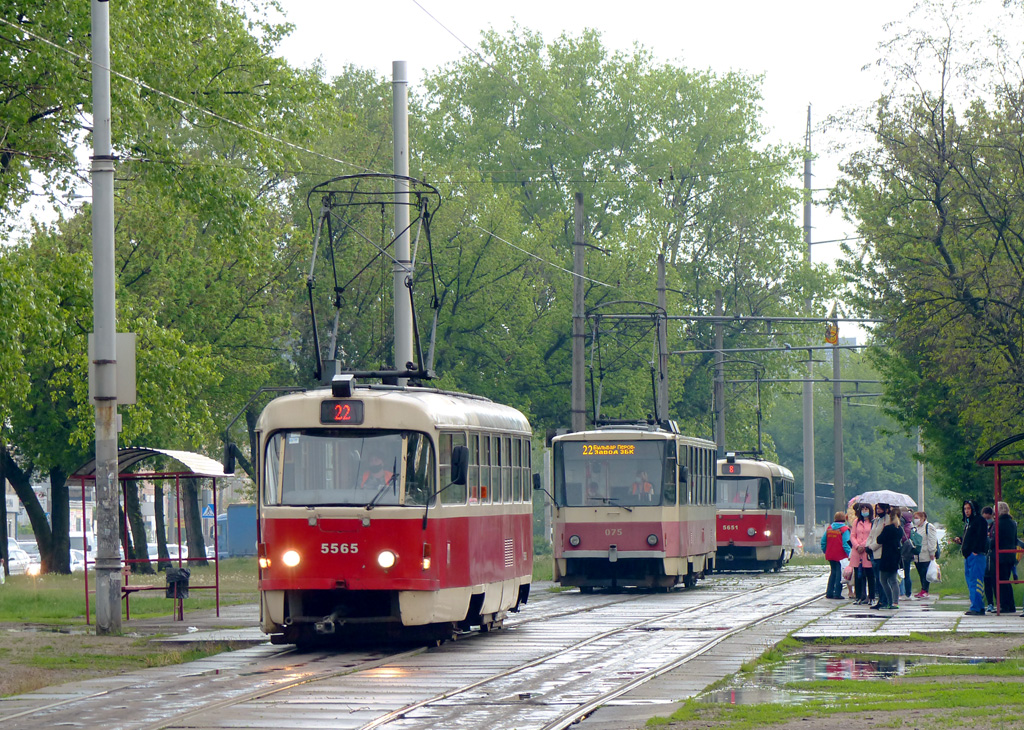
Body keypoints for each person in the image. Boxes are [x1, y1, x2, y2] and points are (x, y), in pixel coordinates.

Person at [952, 499, 988, 615]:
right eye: (965, 509)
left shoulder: (979, 521)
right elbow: (970, 538)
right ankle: (978, 605)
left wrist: (976, 550)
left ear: (973, 509)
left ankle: (976, 607)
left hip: (976, 556)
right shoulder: (968, 523)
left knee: (976, 581)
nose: (966, 511)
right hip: (969, 556)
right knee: (970, 581)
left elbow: (981, 537)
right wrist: (961, 541)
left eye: (968, 509)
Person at [873, 507, 904, 610]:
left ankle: (889, 601)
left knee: (883, 580)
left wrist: (883, 529)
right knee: (894, 580)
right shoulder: (899, 529)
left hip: (886, 557)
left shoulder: (887, 528)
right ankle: (895, 603)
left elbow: (879, 540)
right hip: (896, 556)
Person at [821, 511, 852, 599]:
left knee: (833, 573)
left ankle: (829, 592)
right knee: (839, 574)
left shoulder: (829, 528)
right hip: (840, 556)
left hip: (830, 554)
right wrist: (850, 554)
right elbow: (846, 544)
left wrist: (825, 551)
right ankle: (837, 593)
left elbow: (823, 542)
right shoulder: (844, 530)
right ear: (844, 519)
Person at [849, 502, 875, 605]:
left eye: (866, 509)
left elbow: (872, 536)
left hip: (867, 551)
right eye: (863, 509)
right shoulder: (856, 522)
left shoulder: (873, 522)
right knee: (858, 575)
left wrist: (863, 545)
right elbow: (852, 535)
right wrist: (856, 545)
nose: (864, 511)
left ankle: (871, 597)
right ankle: (859, 596)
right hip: (857, 552)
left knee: (869, 575)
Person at [865, 502, 890, 606]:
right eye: (877, 509)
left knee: (882, 579)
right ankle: (880, 599)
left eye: (880, 509)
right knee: (876, 577)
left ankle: (884, 600)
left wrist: (873, 546)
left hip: (881, 552)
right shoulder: (875, 521)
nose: (878, 511)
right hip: (872, 552)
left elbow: (883, 538)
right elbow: (871, 535)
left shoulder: (887, 520)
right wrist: (868, 546)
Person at [911, 510, 939, 598]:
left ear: (923, 518)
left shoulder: (929, 527)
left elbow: (932, 540)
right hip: (917, 556)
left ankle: (925, 590)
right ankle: (922, 589)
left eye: (917, 518)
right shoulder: (916, 528)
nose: (915, 520)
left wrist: (932, 552)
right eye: (914, 518)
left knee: (925, 573)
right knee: (920, 573)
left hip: (926, 554)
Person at [996, 501, 1018, 614]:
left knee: (1001, 580)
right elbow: (1015, 540)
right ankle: (1011, 605)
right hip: (1011, 554)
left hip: (1001, 555)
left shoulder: (998, 524)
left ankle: (1005, 605)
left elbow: (996, 541)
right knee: (1006, 580)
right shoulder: (1013, 523)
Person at [982, 505, 997, 613]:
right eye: (985, 518)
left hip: (993, 558)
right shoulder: (983, 527)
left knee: (994, 581)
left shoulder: (995, 527)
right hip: (985, 558)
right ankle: (990, 603)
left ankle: (997, 603)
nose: (987, 520)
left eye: (988, 518)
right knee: (986, 581)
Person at [900, 508, 915, 597]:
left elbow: (901, 536)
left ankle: (903, 591)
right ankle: (908, 592)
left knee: (901, 572)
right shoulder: (910, 523)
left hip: (903, 549)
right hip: (909, 550)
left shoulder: (902, 522)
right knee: (907, 572)